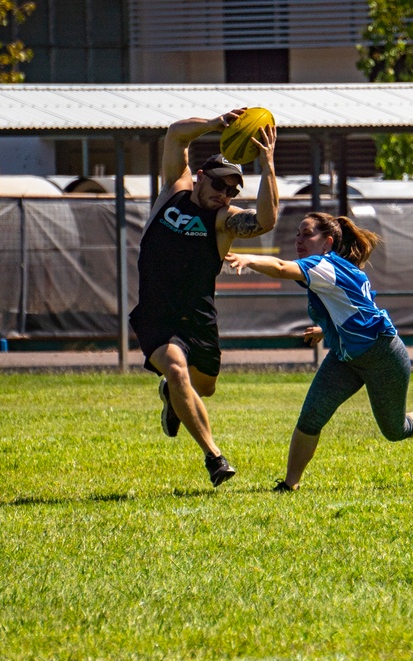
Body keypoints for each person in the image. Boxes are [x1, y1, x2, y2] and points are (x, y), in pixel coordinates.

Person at [225, 212, 413, 490]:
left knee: (395, 430)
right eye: (297, 234)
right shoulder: (331, 267)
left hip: (382, 355)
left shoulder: (324, 265)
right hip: (345, 357)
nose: (299, 239)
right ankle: (289, 484)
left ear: (327, 242)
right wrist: (325, 329)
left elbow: (280, 267)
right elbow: (351, 310)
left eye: (307, 234)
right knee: (311, 417)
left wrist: (247, 258)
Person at [129, 109, 278, 487]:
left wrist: (268, 166)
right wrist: (214, 125)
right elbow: (176, 135)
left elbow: (265, 221)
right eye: (218, 186)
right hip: (156, 314)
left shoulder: (223, 220)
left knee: (203, 387)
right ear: (199, 177)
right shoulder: (173, 190)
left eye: (232, 190)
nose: (224, 195)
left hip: (199, 317)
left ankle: (171, 394)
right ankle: (215, 457)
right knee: (176, 367)